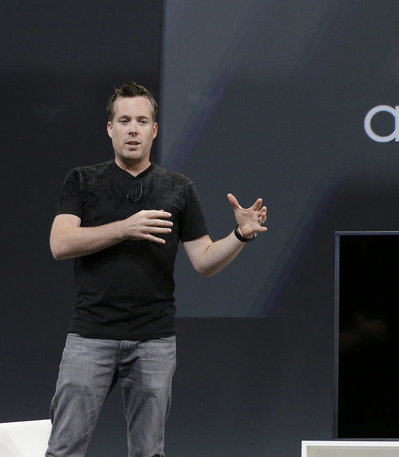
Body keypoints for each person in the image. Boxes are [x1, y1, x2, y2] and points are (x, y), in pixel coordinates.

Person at [45, 81, 267, 457]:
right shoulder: (82, 180)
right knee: (64, 448)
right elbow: (60, 243)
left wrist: (240, 235)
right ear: (110, 128)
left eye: (142, 121)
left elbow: (204, 260)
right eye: (124, 121)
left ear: (154, 130)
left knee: (149, 452)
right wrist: (124, 228)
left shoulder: (178, 188)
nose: (133, 129)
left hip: (153, 341)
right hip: (90, 336)